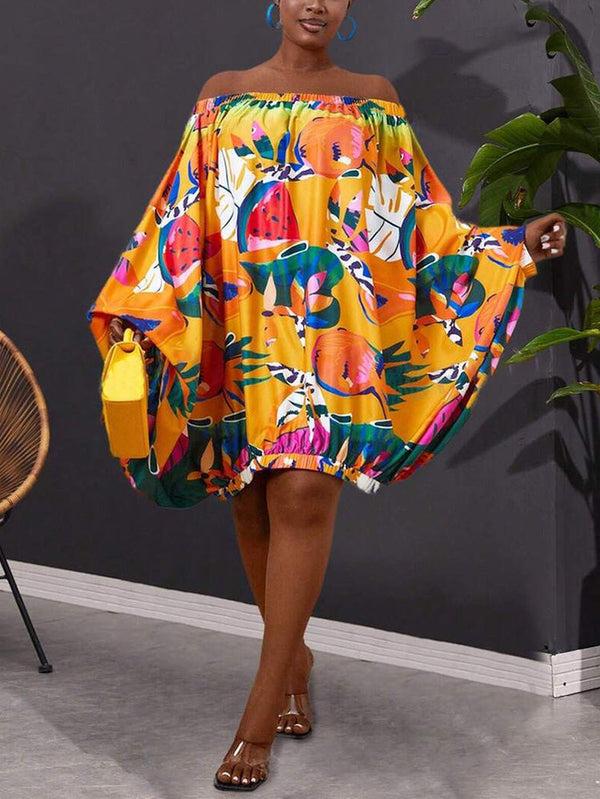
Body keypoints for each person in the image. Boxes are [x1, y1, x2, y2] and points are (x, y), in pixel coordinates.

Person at [88, 0, 567, 791]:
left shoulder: (374, 99)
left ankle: (256, 717)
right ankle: (295, 662)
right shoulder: (222, 95)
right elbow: (181, 215)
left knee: (304, 492)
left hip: (332, 331)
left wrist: (511, 245)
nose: (317, 2)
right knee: (250, 501)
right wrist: (143, 309)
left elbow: (420, 223)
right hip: (243, 326)